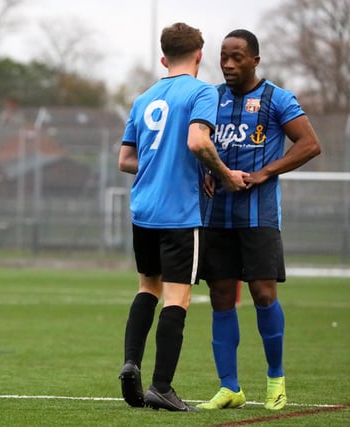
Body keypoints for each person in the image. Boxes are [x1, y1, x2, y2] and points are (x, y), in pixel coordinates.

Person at [117, 22, 249, 412]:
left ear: (163, 58)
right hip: (179, 212)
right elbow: (197, 140)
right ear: (198, 56)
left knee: (147, 288)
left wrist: (159, 165)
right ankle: (161, 386)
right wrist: (223, 175)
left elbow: (125, 160)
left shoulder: (143, 99)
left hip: (143, 211)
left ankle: (130, 363)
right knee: (178, 297)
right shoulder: (201, 91)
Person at [198, 29, 321, 411]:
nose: (228, 64)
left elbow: (310, 144)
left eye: (236, 57)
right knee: (220, 297)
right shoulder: (211, 99)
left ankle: (275, 379)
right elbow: (198, 145)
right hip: (216, 216)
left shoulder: (276, 98)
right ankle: (229, 387)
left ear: (255, 60)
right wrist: (205, 169)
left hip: (259, 217)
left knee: (263, 294)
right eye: (223, 57)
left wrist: (267, 172)